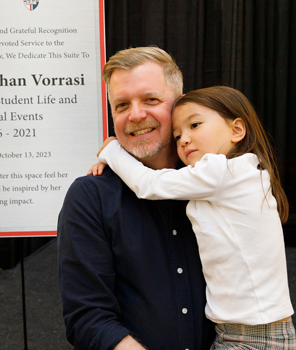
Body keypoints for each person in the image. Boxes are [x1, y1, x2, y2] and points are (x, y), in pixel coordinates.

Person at [93, 86, 294, 349]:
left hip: (254, 338)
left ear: (237, 130)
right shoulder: (242, 172)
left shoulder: (223, 172)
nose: (184, 140)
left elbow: (148, 184)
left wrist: (112, 150)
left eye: (195, 125)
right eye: (177, 136)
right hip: (244, 332)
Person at [58, 46, 216, 350]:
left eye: (151, 100)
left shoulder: (218, 178)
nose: (136, 115)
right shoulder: (90, 198)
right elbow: (87, 318)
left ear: (180, 104)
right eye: (121, 105)